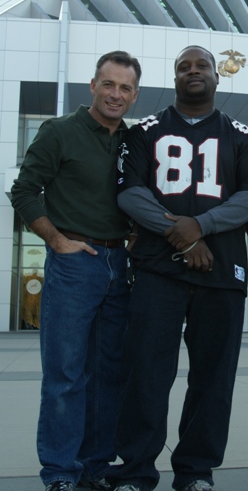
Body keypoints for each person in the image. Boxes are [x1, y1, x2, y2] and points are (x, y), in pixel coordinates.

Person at [107, 45, 248, 491]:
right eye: (184, 67)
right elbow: (129, 192)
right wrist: (180, 233)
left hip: (222, 274)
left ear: (218, 77)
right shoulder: (144, 132)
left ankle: (196, 470)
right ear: (174, 77)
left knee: (213, 379)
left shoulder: (242, 136)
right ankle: (137, 469)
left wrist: (201, 225)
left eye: (201, 66)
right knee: (145, 374)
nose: (192, 72)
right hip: (158, 271)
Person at [11, 51, 142, 491]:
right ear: (93, 85)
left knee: (108, 375)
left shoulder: (135, 140)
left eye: (125, 88)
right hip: (74, 264)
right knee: (66, 374)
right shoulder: (60, 132)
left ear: (134, 94)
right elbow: (25, 190)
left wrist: (137, 233)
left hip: (119, 265)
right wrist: (57, 241)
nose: (116, 94)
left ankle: (96, 467)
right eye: (109, 84)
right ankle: (61, 472)